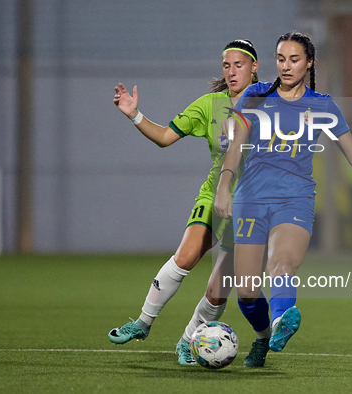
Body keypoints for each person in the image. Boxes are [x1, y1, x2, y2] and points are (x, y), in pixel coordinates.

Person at [214, 31, 352, 368]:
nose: (286, 66)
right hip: (251, 199)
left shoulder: (322, 106)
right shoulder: (255, 96)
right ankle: (263, 336)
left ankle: (280, 324)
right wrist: (224, 185)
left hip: (296, 198)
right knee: (246, 291)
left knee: (282, 263)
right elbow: (235, 146)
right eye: (281, 59)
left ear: (309, 63)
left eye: (294, 59)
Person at [108, 40, 259, 365]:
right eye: (226, 66)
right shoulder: (209, 105)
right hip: (215, 196)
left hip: (253, 206)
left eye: (239, 65)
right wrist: (135, 115)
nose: (232, 72)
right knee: (187, 255)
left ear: (254, 67)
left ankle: (190, 338)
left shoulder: (270, 102)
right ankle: (142, 323)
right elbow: (165, 137)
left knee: (220, 289)